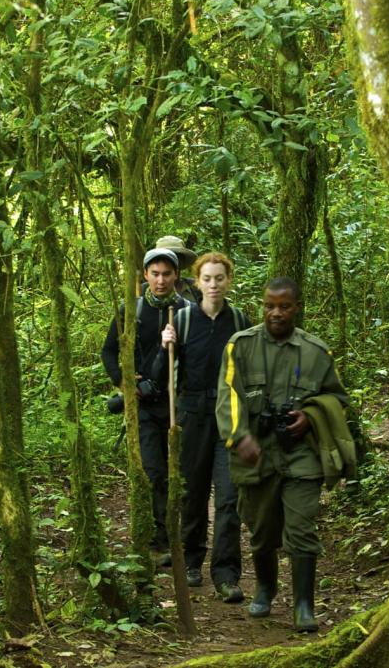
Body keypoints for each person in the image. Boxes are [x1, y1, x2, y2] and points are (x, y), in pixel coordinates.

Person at [216, 277, 349, 632]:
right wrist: (239, 437)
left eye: (284, 306)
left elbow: (338, 399)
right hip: (257, 454)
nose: (276, 313)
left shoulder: (315, 352)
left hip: (300, 454)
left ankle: (304, 605)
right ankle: (265, 588)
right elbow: (228, 395)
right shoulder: (240, 345)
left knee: (302, 529)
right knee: (261, 531)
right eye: (269, 306)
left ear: (296, 308)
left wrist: (311, 415)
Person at [151, 252, 251, 603]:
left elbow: (251, 371)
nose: (213, 284)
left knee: (227, 497)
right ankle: (191, 561)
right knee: (192, 492)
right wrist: (166, 346)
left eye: (219, 278)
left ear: (228, 280)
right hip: (192, 414)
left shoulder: (239, 321)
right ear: (196, 281)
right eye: (206, 278)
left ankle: (226, 574)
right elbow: (160, 371)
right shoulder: (182, 319)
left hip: (228, 415)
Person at [101, 248, 191, 563]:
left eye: (167, 274)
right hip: (144, 405)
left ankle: (183, 536)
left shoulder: (187, 311)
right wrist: (125, 382)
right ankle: (159, 538)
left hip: (178, 404)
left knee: (180, 472)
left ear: (177, 276)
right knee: (153, 471)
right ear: (144, 276)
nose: (161, 280)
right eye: (155, 274)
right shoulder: (131, 310)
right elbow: (109, 352)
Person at [152, 235, 202, 304]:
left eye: (175, 257)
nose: (171, 262)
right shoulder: (145, 291)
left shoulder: (196, 288)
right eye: (165, 258)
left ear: (181, 261)